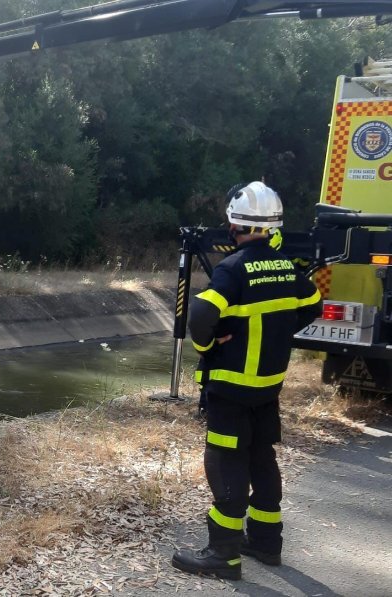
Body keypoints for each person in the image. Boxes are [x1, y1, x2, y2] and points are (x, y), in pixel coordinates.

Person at [171, 182, 321, 580]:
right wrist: (277, 330)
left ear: (234, 224)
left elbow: (200, 316)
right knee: (261, 457)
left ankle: (224, 554)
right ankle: (267, 542)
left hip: (231, 388)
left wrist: (208, 346)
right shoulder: (286, 266)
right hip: (267, 387)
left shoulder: (233, 268)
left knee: (225, 460)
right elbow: (313, 304)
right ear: (273, 227)